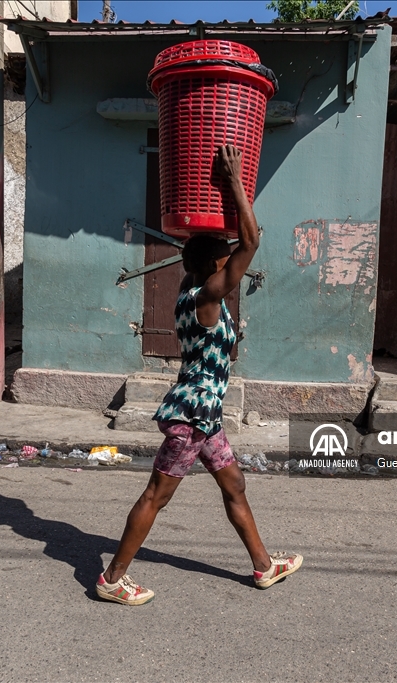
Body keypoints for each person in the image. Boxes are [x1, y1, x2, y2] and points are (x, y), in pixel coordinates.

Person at [96, 144, 302, 606]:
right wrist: (233, 183)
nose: (234, 264)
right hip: (191, 416)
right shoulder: (206, 298)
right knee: (156, 496)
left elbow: (229, 252)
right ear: (215, 267)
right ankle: (113, 577)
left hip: (206, 417)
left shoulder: (192, 289)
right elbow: (251, 243)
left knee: (235, 485)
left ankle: (264, 566)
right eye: (224, 260)